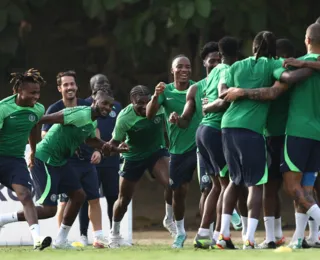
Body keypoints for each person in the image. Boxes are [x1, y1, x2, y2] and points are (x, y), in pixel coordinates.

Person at [219, 26, 319, 249]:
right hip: (274, 134)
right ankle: (277, 237)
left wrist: (304, 63)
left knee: (289, 186)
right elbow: (282, 82)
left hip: (285, 134)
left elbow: (224, 92)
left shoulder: (247, 67)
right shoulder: (275, 68)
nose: (283, 60)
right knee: (274, 186)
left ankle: (306, 235)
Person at [0, 90, 127, 249]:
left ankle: (60, 240)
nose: (107, 108)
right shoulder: (79, 113)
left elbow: (90, 140)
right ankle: (4, 219)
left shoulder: (92, 121)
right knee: (49, 210)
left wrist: (114, 149)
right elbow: (42, 119)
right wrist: (26, 140)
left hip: (60, 162)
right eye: (104, 103)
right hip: (45, 159)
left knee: (79, 195)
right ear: (94, 102)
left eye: (110, 105)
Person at [41, 71, 108, 248]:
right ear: (59, 88)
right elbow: (45, 135)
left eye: (72, 84)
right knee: (64, 201)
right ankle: (61, 238)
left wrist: (98, 151)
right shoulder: (54, 109)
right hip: (65, 162)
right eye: (66, 85)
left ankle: (98, 237)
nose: (70, 87)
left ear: (77, 86)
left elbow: (95, 132)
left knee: (94, 198)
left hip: (86, 161)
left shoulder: (88, 105)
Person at [108, 85, 172, 248]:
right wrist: (115, 148)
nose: (145, 106)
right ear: (131, 102)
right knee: (123, 200)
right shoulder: (124, 118)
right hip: (133, 157)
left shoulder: (158, 107)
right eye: (139, 103)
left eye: (147, 101)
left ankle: (170, 220)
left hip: (156, 152)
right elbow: (113, 143)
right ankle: (114, 234)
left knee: (172, 183)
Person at [146, 55, 198, 248]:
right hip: (177, 149)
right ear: (172, 71)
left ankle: (213, 230)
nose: (184, 70)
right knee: (179, 190)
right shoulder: (165, 91)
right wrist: (154, 95)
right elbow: (149, 115)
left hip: (199, 145)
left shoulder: (197, 88)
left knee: (210, 184)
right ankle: (180, 231)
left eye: (188, 67)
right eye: (180, 67)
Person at [0, 69, 51, 250]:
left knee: (26, 196)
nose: (36, 96)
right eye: (32, 93)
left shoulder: (38, 109)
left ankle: (37, 239)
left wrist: (32, 151)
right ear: (19, 91)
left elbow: (33, 127)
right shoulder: (3, 108)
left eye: (38, 92)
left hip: (15, 160)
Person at [257, 38, 295, 249]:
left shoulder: (274, 73)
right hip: (291, 135)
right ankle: (278, 235)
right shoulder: (298, 75)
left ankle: (271, 237)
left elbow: (271, 94)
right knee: (297, 186)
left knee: (271, 187)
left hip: (274, 135)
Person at [77, 74, 122, 245]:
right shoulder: (83, 105)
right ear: (91, 88)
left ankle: (113, 235)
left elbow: (120, 131)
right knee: (87, 197)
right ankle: (83, 235)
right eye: (99, 84)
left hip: (110, 160)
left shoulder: (116, 106)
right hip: (89, 159)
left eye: (106, 83)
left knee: (112, 197)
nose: (103, 86)